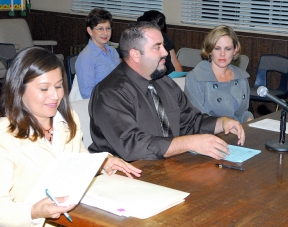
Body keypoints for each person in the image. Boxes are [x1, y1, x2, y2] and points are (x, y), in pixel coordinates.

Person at [0, 47, 141, 227]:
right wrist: (34, 211)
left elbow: (78, 161)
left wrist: (102, 163)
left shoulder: (68, 120)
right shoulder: (4, 135)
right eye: (44, 88)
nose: (55, 95)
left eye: (59, 86)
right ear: (19, 89)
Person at [88, 21, 245, 162]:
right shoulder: (111, 93)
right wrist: (190, 142)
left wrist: (222, 122)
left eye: (163, 45)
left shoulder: (163, 82)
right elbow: (133, 146)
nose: (164, 52)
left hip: (168, 165)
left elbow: (190, 122)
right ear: (135, 54)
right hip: (124, 175)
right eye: (157, 47)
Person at [185, 25, 254, 123]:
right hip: (208, 134)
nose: (222, 54)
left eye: (228, 49)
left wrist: (248, 119)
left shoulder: (241, 78)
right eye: (217, 48)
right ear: (209, 50)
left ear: (235, 50)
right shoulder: (195, 78)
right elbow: (197, 119)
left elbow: (242, 112)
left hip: (237, 131)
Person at [74, 8, 120, 99]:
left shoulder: (113, 52)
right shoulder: (86, 58)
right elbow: (87, 94)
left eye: (108, 28)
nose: (105, 33)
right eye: (100, 29)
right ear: (90, 31)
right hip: (100, 103)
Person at [137, 10, 182, 75]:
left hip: (169, 77)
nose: (165, 53)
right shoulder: (136, 40)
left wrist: (178, 79)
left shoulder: (164, 37)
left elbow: (175, 63)